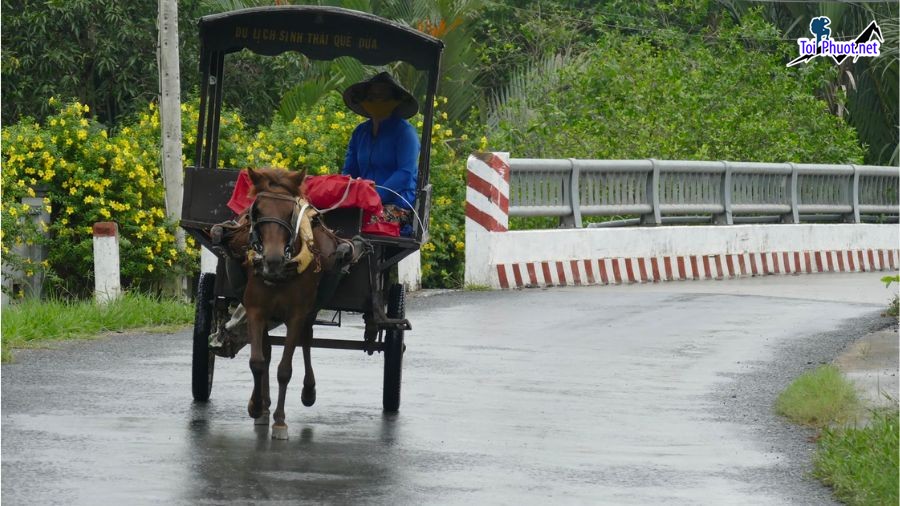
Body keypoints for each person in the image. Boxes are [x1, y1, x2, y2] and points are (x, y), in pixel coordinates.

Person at [342, 72, 420, 235]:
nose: (376, 100)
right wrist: (344, 193)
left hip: (398, 204)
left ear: (394, 100)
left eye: (382, 95)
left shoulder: (405, 133)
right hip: (362, 202)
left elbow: (405, 173)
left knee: (363, 226)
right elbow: (349, 171)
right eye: (372, 96)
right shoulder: (360, 132)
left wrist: (374, 196)